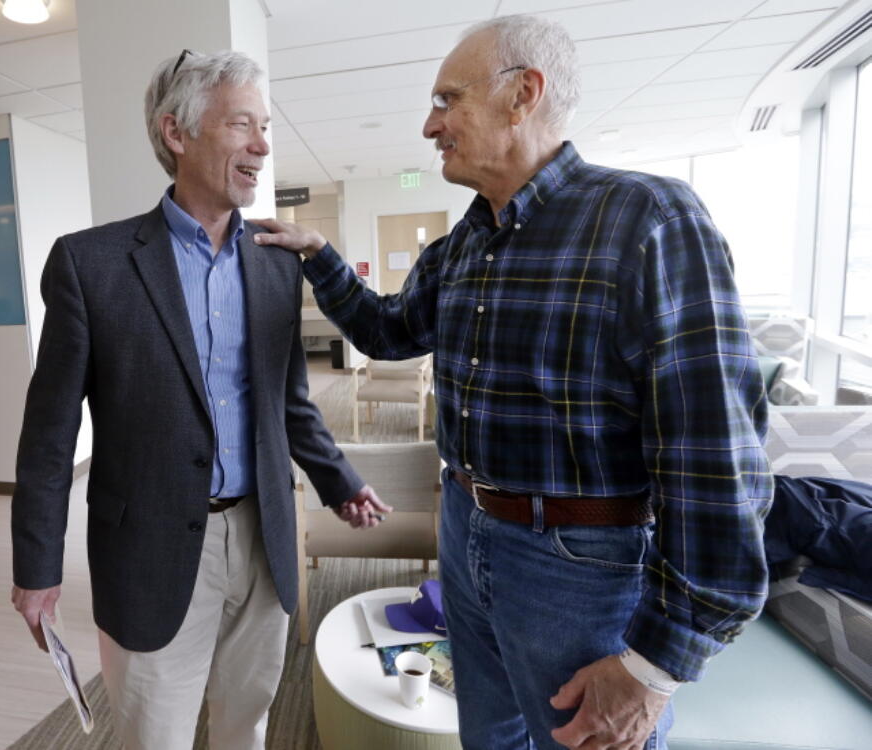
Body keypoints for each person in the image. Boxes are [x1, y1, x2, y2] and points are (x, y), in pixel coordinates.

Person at [254, 14, 771, 750]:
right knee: (489, 741)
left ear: (523, 94)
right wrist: (319, 254)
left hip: (578, 569)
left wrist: (657, 666)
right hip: (464, 529)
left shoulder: (648, 221)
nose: (430, 126)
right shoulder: (462, 245)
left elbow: (715, 460)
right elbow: (388, 330)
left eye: (447, 100)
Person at [10, 49, 390, 750]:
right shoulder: (89, 264)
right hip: (148, 547)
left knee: (246, 721)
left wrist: (340, 483)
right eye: (241, 124)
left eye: (265, 126)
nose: (262, 144)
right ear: (177, 133)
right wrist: (36, 570)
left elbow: (289, 402)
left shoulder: (278, 259)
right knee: (155, 732)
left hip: (263, 530)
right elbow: (49, 436)